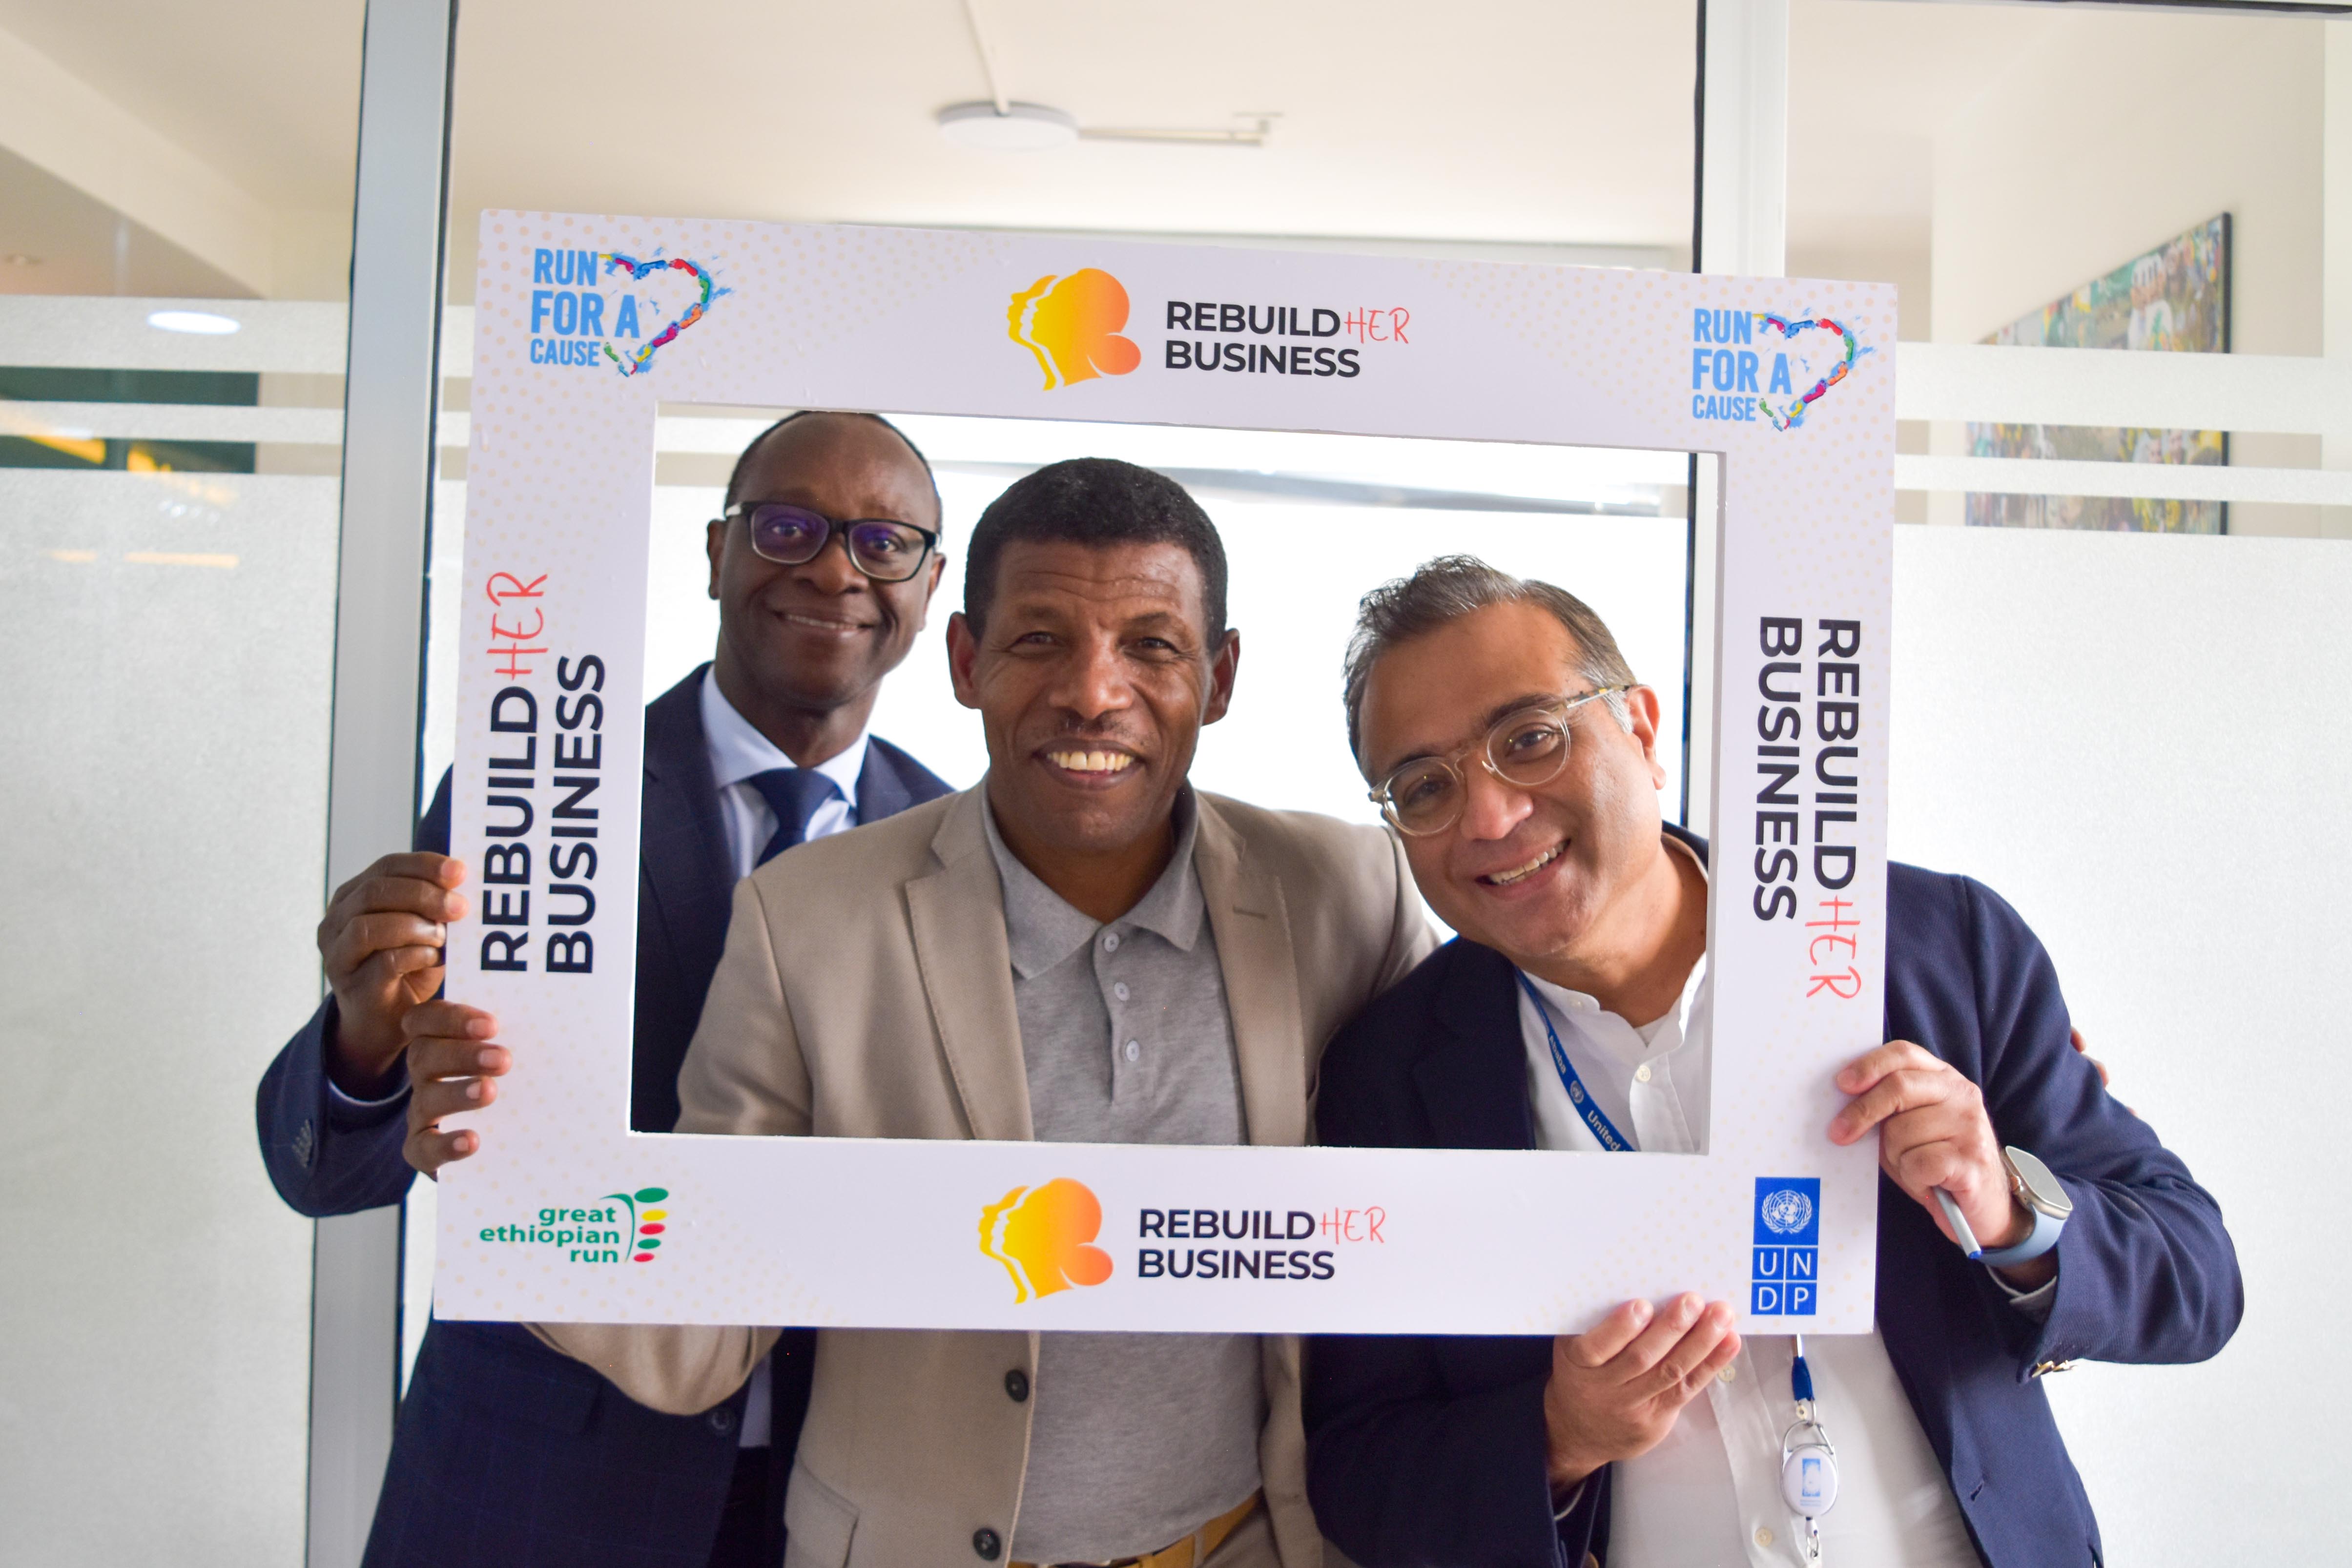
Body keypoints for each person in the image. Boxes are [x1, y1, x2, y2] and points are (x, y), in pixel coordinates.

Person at [406, 457, 1438, 1568]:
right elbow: (701, 1328)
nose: (1094, 693)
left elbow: (1459, 1181)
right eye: (1039, 638)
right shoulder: (806, 920)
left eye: (1152, 644)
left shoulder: (1348, 892)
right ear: (965, 661)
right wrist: (511, 1181)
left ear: (1220, 677)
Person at [1302, 556, 2242, 1568]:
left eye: (1530, 738)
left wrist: (2009, 1211)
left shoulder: (1930, 948)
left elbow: (2197, 1275)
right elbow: (1360, 1468)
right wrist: (1557, 1437)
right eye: (1425, 786)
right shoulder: (1387, 1074)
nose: (1489, 817)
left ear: (1642, 730)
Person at [255, 410, 955, 1568]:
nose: (836, 570)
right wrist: (367, 1052)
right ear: (718, 553)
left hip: (834, 1497)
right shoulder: (532, 793)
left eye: (884, 543)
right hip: (537, 1481)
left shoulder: (956, 849)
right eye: (787, 527)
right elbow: (333, 1172)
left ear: (929, 590)